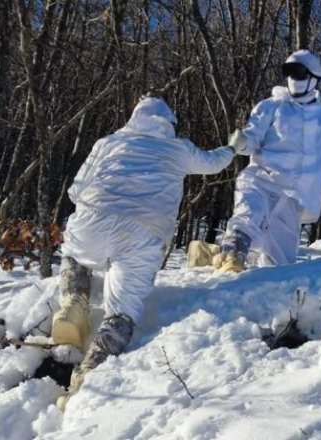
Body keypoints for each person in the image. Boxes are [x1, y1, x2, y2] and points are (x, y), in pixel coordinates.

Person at [53, 97, 243, 409]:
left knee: (75, 254)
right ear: (169, 124)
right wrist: (234, 147)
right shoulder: (178, 149)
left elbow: (76, 190)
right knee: (121, 314)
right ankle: (89, 375)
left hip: (93, 218)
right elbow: (213, 163)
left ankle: (73, 305)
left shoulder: (108, 143)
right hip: (143, 232)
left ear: (133, 118)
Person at [213, 50, 321, 272]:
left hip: (294, 200)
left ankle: (258, 292)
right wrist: (241, 142)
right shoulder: (271, 107)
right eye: (289, 73)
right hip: (262, 180)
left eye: (299, 74)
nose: (293, 79)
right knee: (250, 214)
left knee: (280, 265)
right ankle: (233, 252)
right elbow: (253, 137)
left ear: (314, 79)